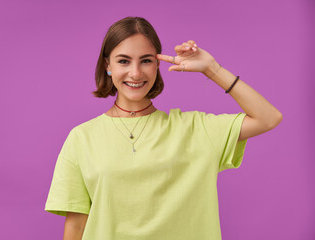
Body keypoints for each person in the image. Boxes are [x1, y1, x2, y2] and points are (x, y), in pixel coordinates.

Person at [44, 16, 282, 240]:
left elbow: (268, 118)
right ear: (108, 65)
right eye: (123, 61)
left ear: (157, 65)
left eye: (146, 60)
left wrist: (212, 69)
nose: (135, 72)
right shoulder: (81, 138)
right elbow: (76, 226)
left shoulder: (196, 129)